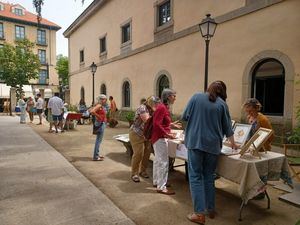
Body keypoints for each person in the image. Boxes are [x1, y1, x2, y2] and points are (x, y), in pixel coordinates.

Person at [181, 81, 238, 224]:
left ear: (209, 88)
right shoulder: (222, 104)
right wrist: (233, 143)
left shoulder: (196, 97)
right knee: (208, 176)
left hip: (195, 143)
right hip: (213, 146)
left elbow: (184, 117)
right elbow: (228, 128)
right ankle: (210, 208)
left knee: (195, 177)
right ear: (223, 92)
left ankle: (199, 214)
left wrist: (187, 131)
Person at [151, 88, 181, 195]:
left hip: (158, 137)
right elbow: (156, 124)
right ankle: (161, 187)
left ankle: (157, 182)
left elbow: (162, 122)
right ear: (168, 97)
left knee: (158, 160)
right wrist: (167, 134)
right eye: (173, 96)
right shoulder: (162, 108)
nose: (175, 98)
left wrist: (171, 125)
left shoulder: (163, 107)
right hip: (159, 138)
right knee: (163, 162)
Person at [129, 95, 160, 183]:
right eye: (155, 104)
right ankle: (134, 174)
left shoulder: (153, 109)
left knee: (147, 153)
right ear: (150, 103)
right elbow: (147, 120)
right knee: (138, 153)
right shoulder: (142, 108)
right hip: (137, 133)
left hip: (147, 134)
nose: (156, 105)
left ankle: (142, 171)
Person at [90, 95, 108, 161]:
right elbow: (92, 111)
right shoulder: (99, 105)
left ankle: (96, 154)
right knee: (98, 141)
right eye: (103, 99)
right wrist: (99, 117)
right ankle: (96, 156)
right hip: (100, 124)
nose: (105, 100)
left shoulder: (100, 106)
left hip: (101, 123)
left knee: (98, 140)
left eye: (105, 99)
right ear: (100, 100)